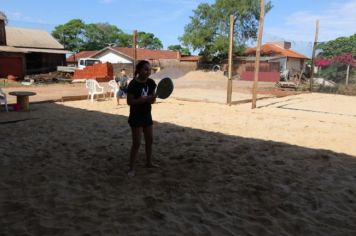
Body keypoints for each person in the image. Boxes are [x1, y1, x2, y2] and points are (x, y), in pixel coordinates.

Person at [126, 60, 157, 177]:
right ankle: (131, 168)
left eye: (149, 70)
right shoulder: (133, 84)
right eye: (145, 69)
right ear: (138, 70)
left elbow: (153, 100)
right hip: (136, 116)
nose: (148, 72)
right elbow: (129, 101)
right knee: (137, 143)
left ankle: (149, 163)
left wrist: (152, 98)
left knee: (150, 140)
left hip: (147, 115)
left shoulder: (151, 83)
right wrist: (143, 99)